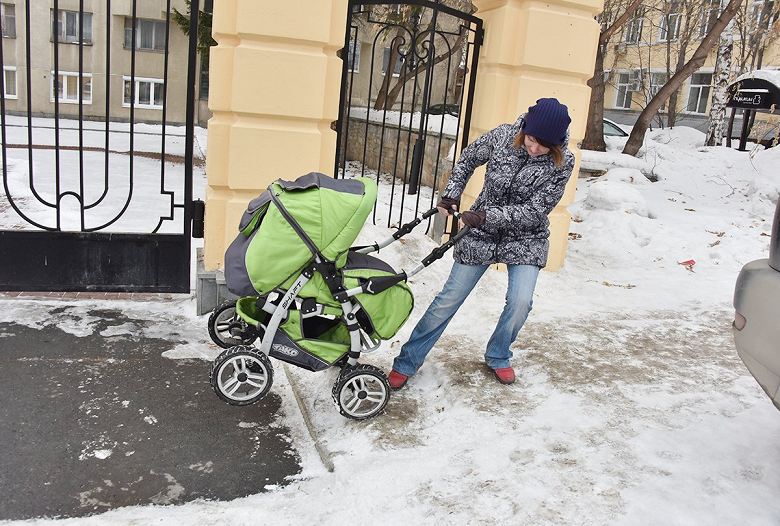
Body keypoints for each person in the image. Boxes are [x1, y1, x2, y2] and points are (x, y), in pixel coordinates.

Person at [388, 97, 575, 388]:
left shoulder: (563, 163)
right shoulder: (502, 136)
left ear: (557, 145)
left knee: (520, 301)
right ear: (525, 127)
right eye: (532, 140)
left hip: (526, 237)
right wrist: (451, 193)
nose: (535, 149)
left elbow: (535, 211)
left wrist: (486, 215)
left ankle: (499, 354)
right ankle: (407, 362)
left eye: (544, 146)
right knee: (448, 300)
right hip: (481, 233)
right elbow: (467, 159)